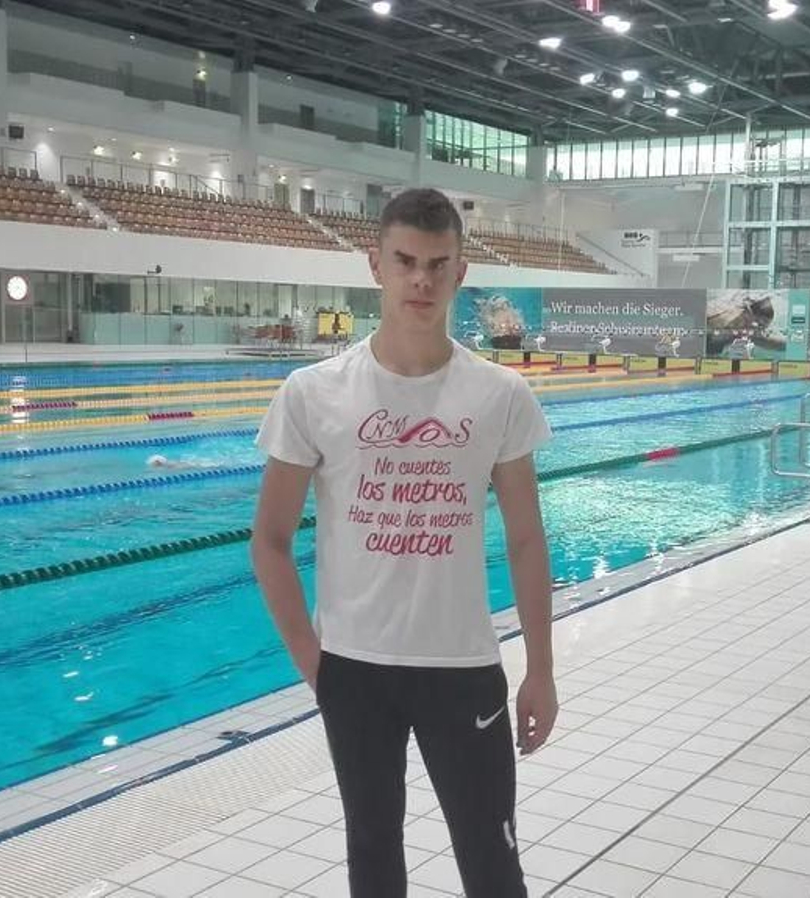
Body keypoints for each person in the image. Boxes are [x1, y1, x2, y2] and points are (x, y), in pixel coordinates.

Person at [251, 188, 556, 898]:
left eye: (437, 264)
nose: (421, 279)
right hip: (355, 671)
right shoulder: (311, 392)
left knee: (491, 859)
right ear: (376, 265)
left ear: (461, 273)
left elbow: (528, 539)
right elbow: (267, 540)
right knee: (373, 859)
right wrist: (313, 662)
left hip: (463, 667)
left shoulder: (501, 395)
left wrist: (540, 667)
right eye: (406, 262)